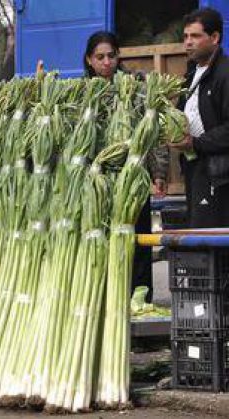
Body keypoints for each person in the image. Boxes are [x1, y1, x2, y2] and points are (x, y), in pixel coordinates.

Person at [84, 30, 169, 303]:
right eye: (100, 57)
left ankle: (140, 302)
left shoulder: (137, 87)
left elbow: (154, 133)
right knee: (105, 242)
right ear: (89, 60)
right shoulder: (82, 94)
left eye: (111, 55)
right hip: (100, 184)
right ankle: (109, 303)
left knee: (139, 241)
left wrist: (159, 172)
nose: (106, 62)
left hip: (134, 179)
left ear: (118, 56)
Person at [169, 8, 229, 228]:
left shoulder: (225, 73)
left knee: (214, 242)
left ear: (214, 38)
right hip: (197, 170)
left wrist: (196, 143)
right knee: (200, 236)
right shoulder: (192, 75)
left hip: (220, 176)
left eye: (195, 36)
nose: (188, 42)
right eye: (185, 37)